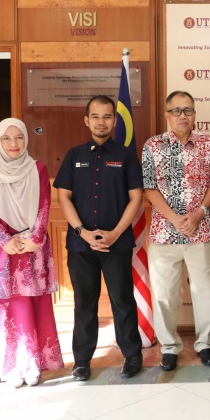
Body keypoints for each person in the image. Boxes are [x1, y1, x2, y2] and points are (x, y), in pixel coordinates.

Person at [54, 95, 145, 380]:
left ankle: (132, 355)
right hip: (81, 244)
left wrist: (115, 234)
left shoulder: (126, 155)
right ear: (87, 120)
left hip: (117, 244)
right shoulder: (74, 155)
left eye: (107, 116)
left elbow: (136, 198)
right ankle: (82, 360)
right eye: (95, 116)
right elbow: (63, 197)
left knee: (122, 301)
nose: (101, 121)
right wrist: (82, 231)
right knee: (84, 304)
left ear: (115, 121)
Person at [0, 118, 64, 387]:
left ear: (26, 140)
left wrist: (35, 238)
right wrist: (4, 240)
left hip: (30, 246)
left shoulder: (37, 169)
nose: (14, 144)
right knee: (3, 305)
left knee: (29, 303)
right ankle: (10, 366)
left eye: (19, 138)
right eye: (7, 139)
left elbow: (44, 204)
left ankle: (32, 363)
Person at [142, 91, 210, 371]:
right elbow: (149, 188)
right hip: (164, 233)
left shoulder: (208, 144)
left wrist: (199, 213)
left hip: (201, 231)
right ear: (167, 115)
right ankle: (169, 347)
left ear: (195, 114)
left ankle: (205, 344)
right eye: (176, 111)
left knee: (204, 291)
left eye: (188, 110)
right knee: (164, 294)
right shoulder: (153, 145)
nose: (182, 116)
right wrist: (175, 219)